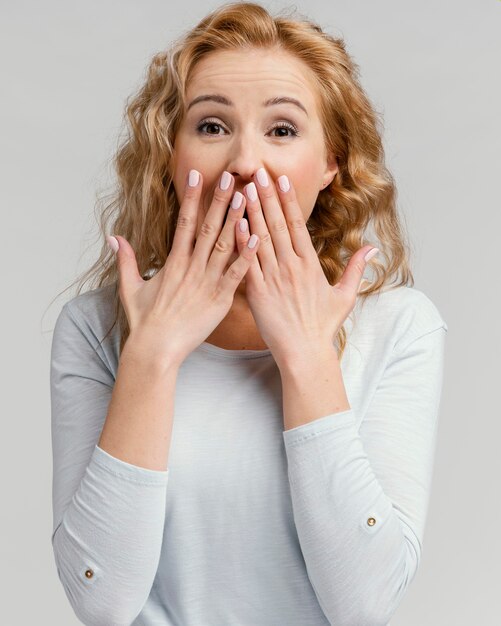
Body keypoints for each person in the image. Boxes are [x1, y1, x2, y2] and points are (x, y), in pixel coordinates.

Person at [50, 2, 448, 625]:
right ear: (172, 155)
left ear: (330, 165)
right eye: (211, 126)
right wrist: (152, 356)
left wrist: (308, 354)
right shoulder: (96, 327)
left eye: (282, 131)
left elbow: (365, 604)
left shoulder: (397, 326)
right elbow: (100, 602)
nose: (243, 162)